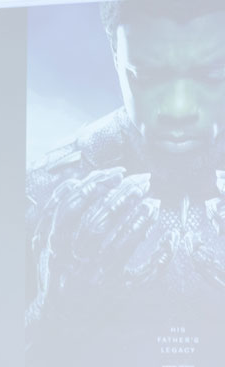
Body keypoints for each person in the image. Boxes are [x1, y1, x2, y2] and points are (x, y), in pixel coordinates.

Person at [26, 0, 225, 329]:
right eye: (146, 76)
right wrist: (53, 316)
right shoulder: (47, 193)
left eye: (214, 76)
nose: (179, 109)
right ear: (115, 53)